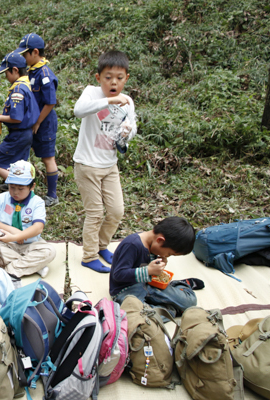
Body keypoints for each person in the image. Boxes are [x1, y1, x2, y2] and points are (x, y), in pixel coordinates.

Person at [73, 50, 137, 273]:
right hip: (87, 165)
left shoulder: (127, 102)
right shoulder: (91, 93)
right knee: (95, 212)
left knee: (117, 211)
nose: (114, 82)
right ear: (98, 77)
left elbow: (132, 128)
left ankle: (101, 246)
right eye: (108, 77)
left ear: (126, 78)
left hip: (109, 166)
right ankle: (89, 256)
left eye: (119, 78)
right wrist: (108, 100)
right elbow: (78, 111)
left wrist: (127, 133)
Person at [110, 216, 204, 317]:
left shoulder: (153, 244)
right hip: (127, 290)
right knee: (141, 316)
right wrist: (148, 271)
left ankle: (180, 286)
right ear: (160, 240)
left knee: (190, 302)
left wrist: (157, 264)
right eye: (169, 253)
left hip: (149, 284)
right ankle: (172, 311)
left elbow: (147, 266)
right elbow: (118, 274)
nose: (167, 256)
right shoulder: (132, 245)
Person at [15, 33, 60, 207]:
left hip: (45, 122)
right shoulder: (32, 71)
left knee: (47, 157)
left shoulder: (45, 74)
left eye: (25, 54)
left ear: (35, 52)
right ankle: (26, 189)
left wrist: (38, 122)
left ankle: (52, 195)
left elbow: (50, 102)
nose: (24, 58)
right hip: (33, 121)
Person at [0, 160, 56, 278]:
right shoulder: (3, 197)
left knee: (49, 252)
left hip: (30, 243)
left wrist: (18, 236)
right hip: (5, 243)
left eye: (21, 189)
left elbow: (38, 228)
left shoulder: (37, 202)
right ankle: (34, 266)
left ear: (32, 186)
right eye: (12, 187)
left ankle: (8, 271)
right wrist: (13, 232)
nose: (15, 192)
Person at [0, 52, 40, 184]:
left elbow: (16, 118)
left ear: (15, 70)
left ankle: (19, 185)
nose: (6, 76)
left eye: (7, 73)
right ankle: (21, 187)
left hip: (18, 135)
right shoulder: (26, 85)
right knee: (20, 166)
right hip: (25, 134)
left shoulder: (18, 90)